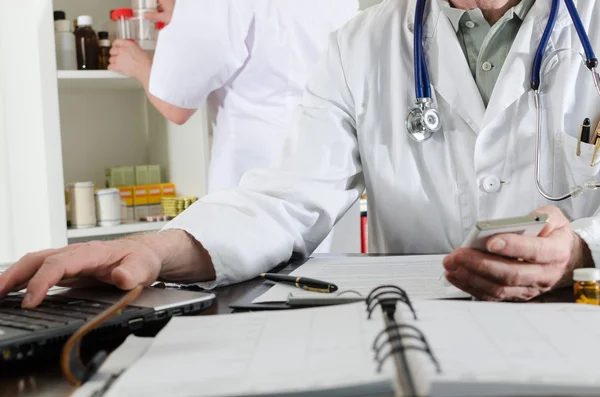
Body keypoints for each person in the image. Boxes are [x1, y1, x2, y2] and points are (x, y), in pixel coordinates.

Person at [2, 0, 600, 308]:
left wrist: (580, 248)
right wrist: (152, 247)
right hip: (425, 332)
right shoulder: (361, 44)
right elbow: (286, 198)